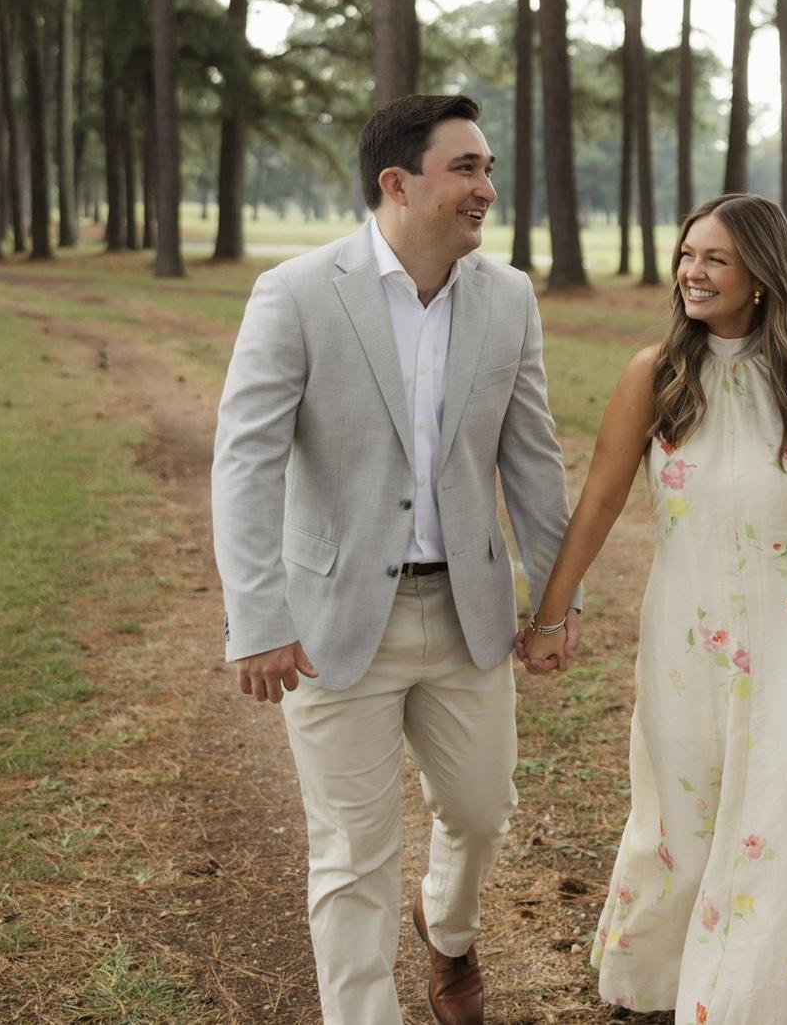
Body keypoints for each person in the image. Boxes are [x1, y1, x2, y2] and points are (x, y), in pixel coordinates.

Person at [211, 93, 575, 1025]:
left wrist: (555, 603)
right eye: (466, 169)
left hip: (468, 618)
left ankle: (446, 930)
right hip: (332, 628)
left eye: (488, 169)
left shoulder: (509, 297)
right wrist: (258, 620)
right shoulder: (296, 293)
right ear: (397, 183)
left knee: (482, 813)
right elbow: (245, 464)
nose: (485, 188)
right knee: (352, 854)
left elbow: (532, 460)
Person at [519, 192, 787, 1024]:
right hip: (684, 627)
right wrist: (550, 613)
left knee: (780, 817)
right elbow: (602, 499)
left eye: (715, 258)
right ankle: (658, 979)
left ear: (762, 275)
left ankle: (751, 1001)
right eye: (687, 254)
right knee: (678, 809)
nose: (692, 272)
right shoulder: (657, 375)